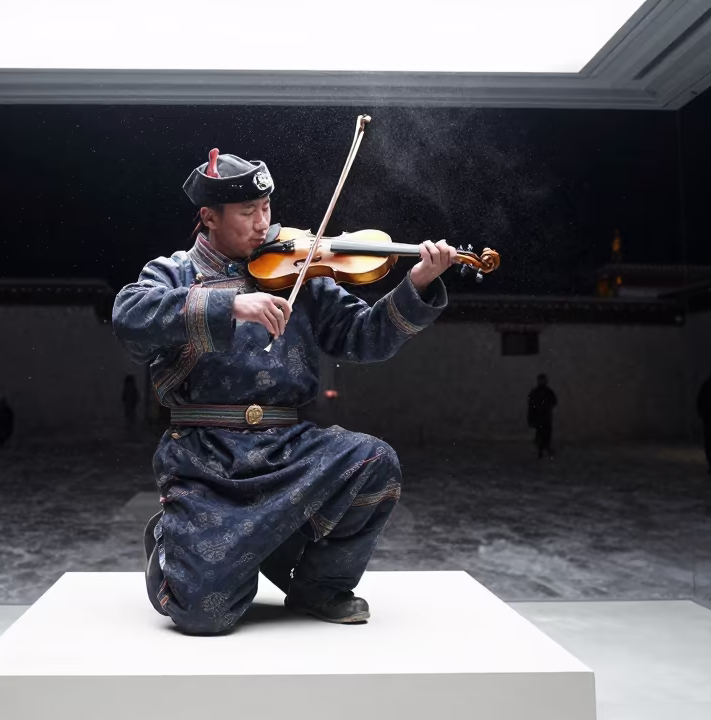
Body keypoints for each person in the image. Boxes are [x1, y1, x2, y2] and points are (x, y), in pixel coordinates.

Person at [113, 148, 459, 635]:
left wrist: (417, 285)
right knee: (204, 617)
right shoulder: (174, 273)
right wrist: (231, 304)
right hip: (204, 459)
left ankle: (318, 586)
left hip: (288, 450)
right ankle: (174, 543)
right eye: (247, 212)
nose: (263, 224)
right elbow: (129, 316)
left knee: (374, 462)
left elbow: (365, 337)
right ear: (209, 217)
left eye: (266, 208)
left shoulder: (301, 271)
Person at [527, 374, 557, 459]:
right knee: (540, 433)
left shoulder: (548, 391)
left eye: (543, 380)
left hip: (546, 416)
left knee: (547, 433)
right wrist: (531, 417)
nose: (542, 382)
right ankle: (540, 451)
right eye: (540, 380)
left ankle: (546, 448)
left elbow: (554, 401)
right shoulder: (535, 392)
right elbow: (531, 405)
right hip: (539, 417)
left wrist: (547, 406)